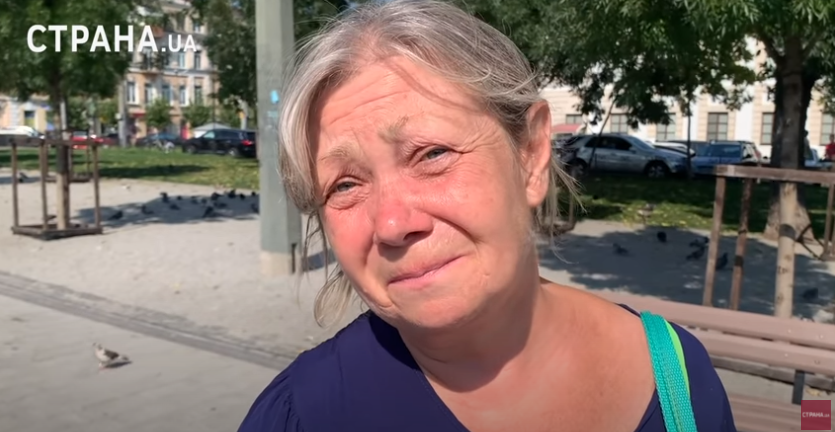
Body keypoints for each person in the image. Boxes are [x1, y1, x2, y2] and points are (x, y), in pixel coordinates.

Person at [238, 1, 736, 431]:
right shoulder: (304, 416)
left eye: (432, 154)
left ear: (531, 153)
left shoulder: (677, 380)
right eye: (345, 185)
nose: (391, 223)